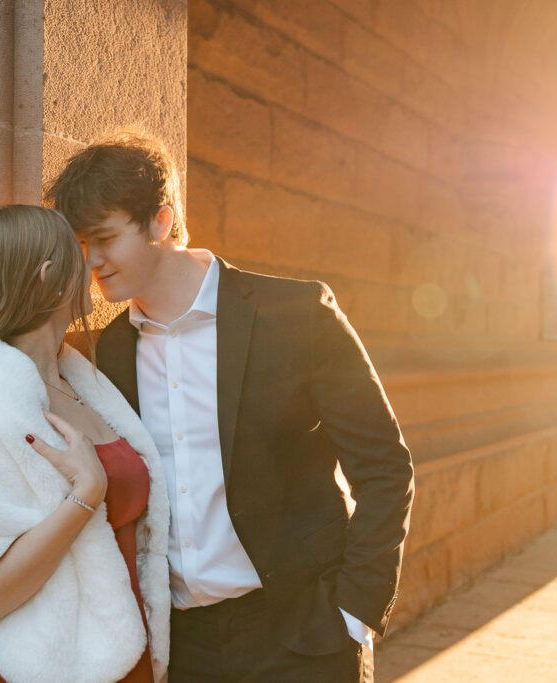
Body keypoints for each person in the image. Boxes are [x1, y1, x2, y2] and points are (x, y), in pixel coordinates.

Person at [47, 132, 415, 682]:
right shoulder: (103, 354)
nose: (91, 261)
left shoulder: (297, 315)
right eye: (80, 244)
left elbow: (386, 468)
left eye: (103, 238)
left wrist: (354, 613)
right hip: (180, 646)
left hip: (301, 636)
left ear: (160, 221)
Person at [0, 205, 170, 683]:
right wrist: (85, 494)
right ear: (51, 276)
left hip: (120, 646)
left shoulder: (82, 380)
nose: (92, 265)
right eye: (81, 253)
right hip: (53, 665)